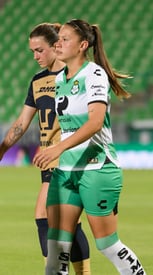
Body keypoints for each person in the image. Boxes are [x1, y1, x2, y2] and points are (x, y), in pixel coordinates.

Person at [32, 19, 146, 275]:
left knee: (107, 244)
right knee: (57, 247)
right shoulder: (61, 78)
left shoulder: (94, 74)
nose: (58, 43)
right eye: (58, 38)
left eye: (65, 39)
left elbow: (94, 122)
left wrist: (58, 148)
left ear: (83, 45)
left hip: (98, 169)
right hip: (66, 172)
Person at [0, 22, 91, 274]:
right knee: (68, 224)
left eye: (39, 50)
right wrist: (3, 148)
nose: (35, 56)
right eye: (32, 52)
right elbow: (21, 123)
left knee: (43, 215)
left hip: (68, 158)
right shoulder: (38, 81)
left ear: (56, 46)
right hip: (48, 161)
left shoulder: (75, 77)